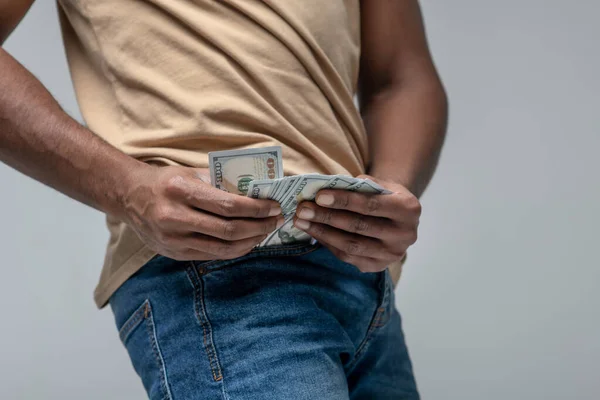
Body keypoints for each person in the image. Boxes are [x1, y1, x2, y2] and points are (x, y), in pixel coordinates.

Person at [0, 0, 447, 398]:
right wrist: (127, 186)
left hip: (368, 284)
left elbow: (402, 78)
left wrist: (383, 198)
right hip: (213, 269)